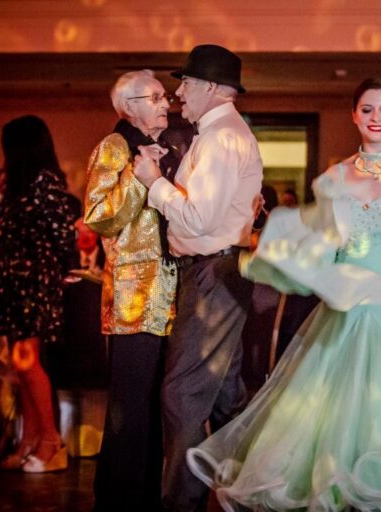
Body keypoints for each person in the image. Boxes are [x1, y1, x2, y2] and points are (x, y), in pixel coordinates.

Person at [185, 78, 381, 511]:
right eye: (368, 109)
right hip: (348, 312)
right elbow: (323, 253)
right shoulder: (333, 178)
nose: (376, 118)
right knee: (343, 420)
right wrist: (282, 251)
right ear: (354, 115)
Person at [132, 45, 263, 512]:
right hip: (218, 272)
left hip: (214, 273)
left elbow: (200, 219)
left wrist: (153, 181)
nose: (178, 92)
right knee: (225, 395)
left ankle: (181, 504)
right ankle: (248, 493)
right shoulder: (218, 134)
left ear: (208, 88)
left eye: (185, 83)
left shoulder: (223, 137)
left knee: (182, 394)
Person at [83, 69, 182, 511]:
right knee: (128, 409)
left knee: (155, 407)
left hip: (169, 297)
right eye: (156, 97)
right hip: (132, 299)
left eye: (165, 96)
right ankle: (118, 500)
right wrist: (141, 177)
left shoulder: (170, 147)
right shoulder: (115, 147)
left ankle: (147, 496)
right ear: (129, 107)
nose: (166, 103)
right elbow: (99, 216)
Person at [0, 115, 79, 472]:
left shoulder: (44, 182)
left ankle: (50, 440)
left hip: (34, 282)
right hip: (15, 280)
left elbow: (62, 234)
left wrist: (56, 272)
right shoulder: (19, 184)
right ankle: (29, 439)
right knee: (19, 364)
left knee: (29, 363)